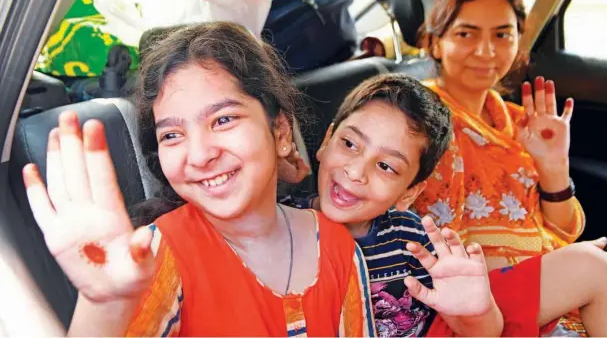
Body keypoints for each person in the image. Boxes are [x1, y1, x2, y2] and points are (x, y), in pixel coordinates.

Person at [21, 22, 376, 336]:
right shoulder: (158, 255)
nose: (201, 154)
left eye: (223, 120)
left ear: (280, 131)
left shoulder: (336, 246)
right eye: (172, 135)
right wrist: (104, 306)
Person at [280, 73, 607, 337]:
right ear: (326, 142)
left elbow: (476, 324)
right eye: (350, 144)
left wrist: (476, 311)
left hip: (438, 326)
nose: (356, 171)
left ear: (408, 194)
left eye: (386, 166)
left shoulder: (411, 236)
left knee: (592, 265)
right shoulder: (278, 223)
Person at [411, 0, 607, 275]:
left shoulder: (520, 121)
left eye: (502, 35)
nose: (486, 51)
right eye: (466, 33)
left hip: (546, 269)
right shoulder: (414, 119)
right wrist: (570, 266)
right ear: (435, 43)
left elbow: (564, 231)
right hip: (475, 290)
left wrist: (554, 167)